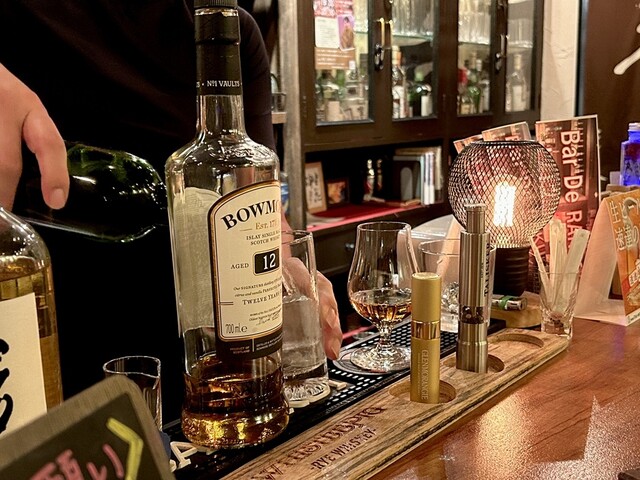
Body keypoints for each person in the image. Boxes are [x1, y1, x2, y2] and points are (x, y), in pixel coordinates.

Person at [0, 2, 342, 422]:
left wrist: (287, 269)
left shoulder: (226, 28)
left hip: (208, 383)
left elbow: (257, 195)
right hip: (49, 376)